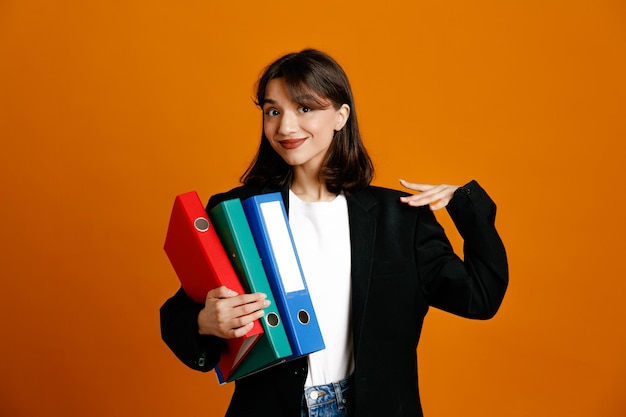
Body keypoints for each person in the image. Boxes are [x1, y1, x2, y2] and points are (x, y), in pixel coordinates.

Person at [160, 48, 508, 417]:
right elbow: (178, 314)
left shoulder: (399, 218)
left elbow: (480, 298)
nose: (286, 127)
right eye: (273, 111)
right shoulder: (237, 212)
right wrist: (205, 321)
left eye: (305, 108)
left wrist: (466, 205)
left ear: (341, 116)